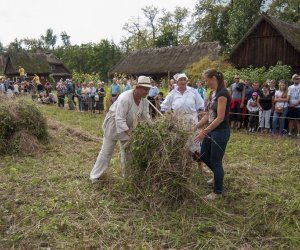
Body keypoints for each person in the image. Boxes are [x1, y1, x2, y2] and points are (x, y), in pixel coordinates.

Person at [90, 76, 152, 183]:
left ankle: (127, 177)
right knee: (106, 152)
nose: (147, 92)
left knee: (128, 153)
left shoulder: (144, 100)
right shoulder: (125, 97)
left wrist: (153, 128)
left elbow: (146, 116)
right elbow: (119, 118)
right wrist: (130, 133)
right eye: (145, 89)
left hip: (129, 125)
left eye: (148, 89)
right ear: (137, 87)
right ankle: (94, 176)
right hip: (113, 124)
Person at [194, 69, 231, 200]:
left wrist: (204, 131)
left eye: (206, 79)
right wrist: (197, 126)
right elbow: (209, 115)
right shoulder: (212, 93)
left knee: (216, 160)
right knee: (203, 155)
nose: (205, 82)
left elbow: (220, 118)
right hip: (212, 130)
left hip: (220, 131)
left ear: (213, 78)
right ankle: (217, 174)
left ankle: (217, 191)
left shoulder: (223, 94)